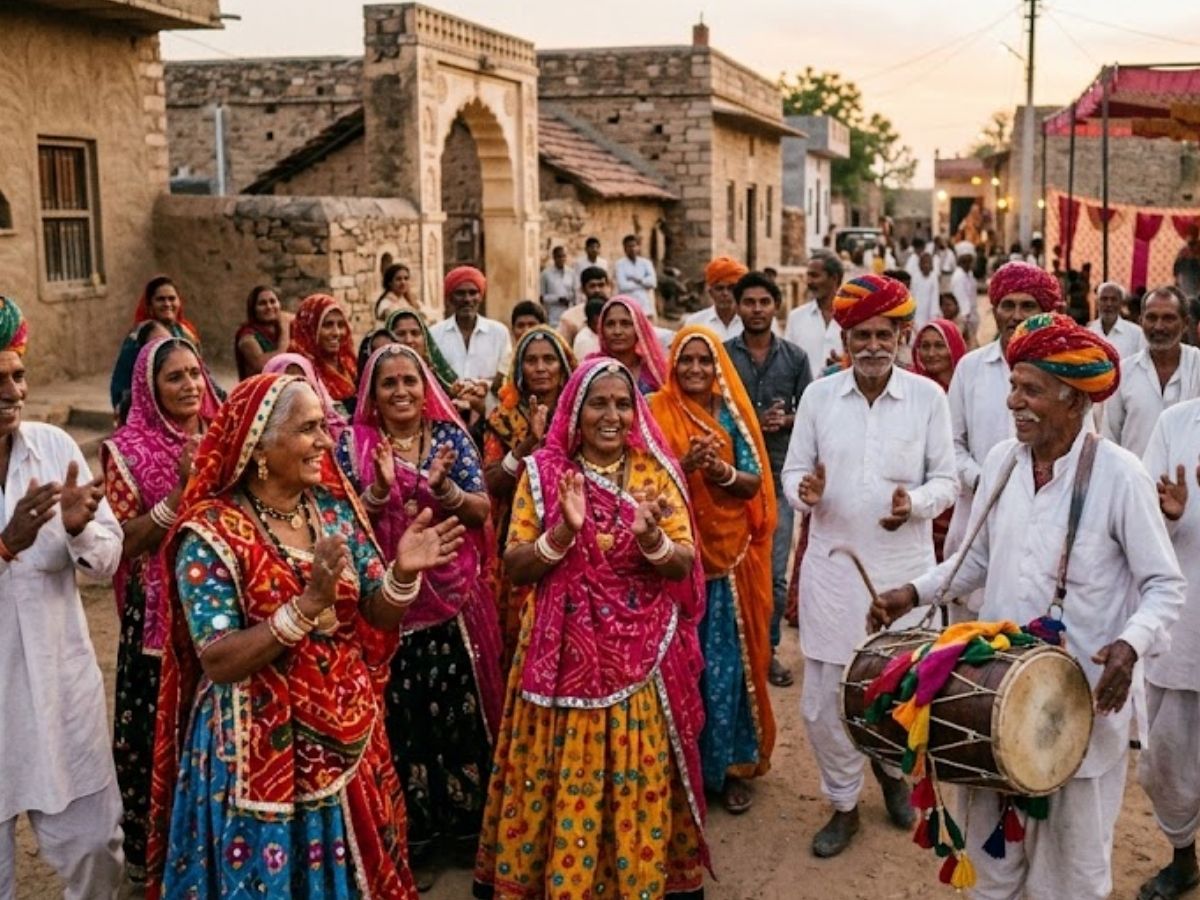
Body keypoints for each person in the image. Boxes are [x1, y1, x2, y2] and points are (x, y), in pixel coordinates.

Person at [871, 312, 1185, 900]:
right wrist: (911, 592)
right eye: (1012, 386)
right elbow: (973, 559)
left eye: (1030, 390)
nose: (1013, 401)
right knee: (993, 875)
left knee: (1071, 881)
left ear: (1074, 402)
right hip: (994, 701)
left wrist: (1130, 645)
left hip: (1081, 707)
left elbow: (1164, 586)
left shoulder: (1121, 475)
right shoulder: (1002, 461)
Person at [146, 373, 467, 898]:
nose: (325, 441)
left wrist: (403, 575)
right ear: (259, 448)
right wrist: (305, 608)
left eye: (325, 427)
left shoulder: (333, 510)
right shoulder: (212, 533)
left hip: (350, 735)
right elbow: (219, 660)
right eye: (309, 429)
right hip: (254, 749)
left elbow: (374, 613)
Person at [473, 357, 709, 898]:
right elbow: (514, 563)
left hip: (640, 652)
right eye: (598, 403)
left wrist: (652, 541)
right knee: (560, 772)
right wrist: (560, 533)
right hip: (559, 652)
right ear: (575, 412)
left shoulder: (655, 473)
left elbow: (684, 563)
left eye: (623, 403)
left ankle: (638, 876)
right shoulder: (546, 473)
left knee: (638, 770)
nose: (612, 415)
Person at [780, 275, 956, 858]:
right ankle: (844, 804)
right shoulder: (819, 397)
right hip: (833, 576)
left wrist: (917, 504)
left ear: (902, 335)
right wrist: (805, 490)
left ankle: (890, 773)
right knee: (824, 705)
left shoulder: (928, 398)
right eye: (862, 334)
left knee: (897, 695)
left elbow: (947, 480)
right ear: (845, 337)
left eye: (885, 333)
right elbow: (793, 475)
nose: (874, 344)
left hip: (902, 577)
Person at [337, 345, 503, 880]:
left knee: (460, 722)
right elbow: (341, 522)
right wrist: (382, 493)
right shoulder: (353, 446)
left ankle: (470, 834)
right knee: (402, 729)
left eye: (410, 379)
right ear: (372, 394)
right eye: (389, 383)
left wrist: (445, 489)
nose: (402, 391)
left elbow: (481, 509)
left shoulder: (451, 437)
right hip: (390, 605)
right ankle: (417, 839)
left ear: (425, 384)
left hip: (451, 605)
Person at [0, 296, 126, 900]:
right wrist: (5, 546)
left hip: (59, 693)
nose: (11, 391)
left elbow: (107, 562)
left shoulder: (53, 449)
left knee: (97, 851)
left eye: (18, 375)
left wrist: (77, 529)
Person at [99, 337, 219, 883]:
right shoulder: (125, 451)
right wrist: (179, 490)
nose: (191, 385)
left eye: (195, 373)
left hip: (217, 608)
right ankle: (159, 857)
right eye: (176, 377)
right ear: (150, 387)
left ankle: (214, 847)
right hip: (157, 618)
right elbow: (124, 541)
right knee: (157, 732)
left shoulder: (221, 435)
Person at [649, 325, 778, 815]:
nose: (697, 369)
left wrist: (718, 471)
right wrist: (684, 463)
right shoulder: (658, 411)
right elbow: (645, 478)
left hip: (728, 563)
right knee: (679, 670)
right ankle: (679, 771)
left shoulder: (731, 414)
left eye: (706, 360)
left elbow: (753, 484)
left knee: (726, 674)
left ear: (717, 366)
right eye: (688, 360)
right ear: (673, 364)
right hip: (674, 564)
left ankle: (728, 769)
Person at [944, 262, 1062, 618]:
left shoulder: (1063, 374)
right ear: (993, 308)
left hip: (1044, 518)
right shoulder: (970, 367)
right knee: (968, 633)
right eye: (1008, 305)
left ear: (1045, 312)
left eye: (1028, 306)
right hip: (975, 516)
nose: (1016, 315)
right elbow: (951, 443)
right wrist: (982, 479)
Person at [725, 271, 813, 688]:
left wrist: (786, 419)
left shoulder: (794, 358)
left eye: (764, 302)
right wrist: (750, 422)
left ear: (775, 306)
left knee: (774, 575)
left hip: (777, 475)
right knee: (731, 571)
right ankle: (733, 656)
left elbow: (809, 415)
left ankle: (768, 651)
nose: (757, 309)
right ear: (737, 306)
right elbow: (712, 412)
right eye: (749, 302)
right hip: (730, 478)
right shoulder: (723, 356)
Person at [482, 326, 575, 666]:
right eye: (531, 360)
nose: (540, 367)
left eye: (549, 359)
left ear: (564, 367)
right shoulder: (504, 419)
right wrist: (527, 444)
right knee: (524, 632)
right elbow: (491, 481)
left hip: (575, 534)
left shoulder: (582, 415)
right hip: (521, 539)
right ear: (519, 369)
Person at [1139, 397, 1200, 900]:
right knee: (1166, 758)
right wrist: (1171, 516)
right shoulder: (1175, 423)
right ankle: (1183, 859)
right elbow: (1143, 521)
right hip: (1185, 623)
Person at [1103, 286, 1200, 457]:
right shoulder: (1124, 372)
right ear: (1141, 321)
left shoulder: (1197, 365)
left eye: (1168, 318)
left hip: (1187, 481)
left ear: (1185, 323)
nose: (1159, 326)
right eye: (1151, 318)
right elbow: (1109, 437)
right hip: (1134, 480)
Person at [911, 319, 968, 562]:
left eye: (939, 345)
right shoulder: (913, 390)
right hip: (920, 484)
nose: (931, 353)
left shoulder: (967, 387)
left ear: (953, 347)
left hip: (962, 485)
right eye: (925, 346)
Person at [111, 275, 203, 411]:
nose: (167, 304)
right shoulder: (138, 338)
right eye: (160, 299)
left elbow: (202, 373)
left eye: (172, 298)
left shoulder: (186, 333)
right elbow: (122, 383)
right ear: (149, 305)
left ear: (179, 302)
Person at [388, 308, 488, 426]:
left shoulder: (440, 375)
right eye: (400, 334)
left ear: (425, 338)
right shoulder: (381, 374)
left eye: (415, 333)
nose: (409, 340)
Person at [429, 266, 512, 403]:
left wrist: (483, 387)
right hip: (448, 412)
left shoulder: (499, 333)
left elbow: (506, 377)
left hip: (489, 412)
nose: (467, 299)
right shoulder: (435, 334)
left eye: (473, 293)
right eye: (460, 293)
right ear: (450, 298)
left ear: (481, 297)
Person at [287, 293, 357, 414]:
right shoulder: (298, 368)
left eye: (340, 325)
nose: (336, 333)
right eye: (327, 325)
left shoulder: (349, 364)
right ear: (309, 328)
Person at [262, 352, 347, 439]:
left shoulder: (336, 427)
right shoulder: (262, 435)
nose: (298, 392)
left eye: (302, 383)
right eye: (289, 385)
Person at [596, 295, 669, 394]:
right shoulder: (593, 369)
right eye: (610, 324)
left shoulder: (654, 370)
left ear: (639, 328)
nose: (617, 331)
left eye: (626, 324)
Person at [785, 253, 844, 374]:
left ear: (834, 278)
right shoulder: (796, 317)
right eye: (808, 276)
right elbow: (787, 361)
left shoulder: (854, 317)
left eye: (815, 276)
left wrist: (845, 364)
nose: (809, 282)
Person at [684, 256, 750, 340]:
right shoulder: (695, 323)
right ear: (711, 292)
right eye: (719, 288)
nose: (725, 293)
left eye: (731, 288)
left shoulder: (751, 321)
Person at [234, 285, 290, 379]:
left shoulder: (282, 324)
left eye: (273, 301)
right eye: (262, 303)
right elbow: (263, 365)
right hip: (259, 389)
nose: (269, 307)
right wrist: (285, 330)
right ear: (253, 309)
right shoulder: (247, 338)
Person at [1088, 281, 1146, 359]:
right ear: (1098, 302)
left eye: (1114, 299)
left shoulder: (1136, 333)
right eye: (1104, 299)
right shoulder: (1088, 332)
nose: (1109, 304)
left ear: (1121, 303)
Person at [559, 265, 610, 350]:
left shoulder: (617, 313)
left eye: (601, 285)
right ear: (583, 289)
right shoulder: (570, 318)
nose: (597, 290)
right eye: (592, 286)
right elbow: (562, 350)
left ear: (608, 286)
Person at [613, 233, 658, 321]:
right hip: (628, 304)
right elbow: (623, 286)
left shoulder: (645, 263)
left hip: (644, 304)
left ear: (638, 247)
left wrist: (638, 280)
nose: (632, 249)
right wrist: (644, 284)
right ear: (624, 248)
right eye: (629, 246)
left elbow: (653, 283)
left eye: (634, 246)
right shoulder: (620, 264)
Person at [538, 246, 578, 328]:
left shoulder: (571, 273)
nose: (562, 259)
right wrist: (557, 299)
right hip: (553, 316)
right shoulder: (546, 274)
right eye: (559, 256)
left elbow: (575, 294)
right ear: (554, 257)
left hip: (569, 314)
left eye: (564, 256)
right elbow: (542, 298)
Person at [950, 251, 979, 347]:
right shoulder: (958, 277)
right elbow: (961, 297)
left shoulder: (968, 274)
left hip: (971, 315)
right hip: (964, 317)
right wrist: (966, 316)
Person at [910, 252, 940, 332]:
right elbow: (913, 297)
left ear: (931, 265)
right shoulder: (915, 277)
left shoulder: (934, 277)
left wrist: (934, 316)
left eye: (928, 263)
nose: (926, 265)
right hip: (917, 313)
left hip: (930, 313)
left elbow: (935, 298)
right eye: (924, 263)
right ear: (920, 265)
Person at [573, 236, 608, 301]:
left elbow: (605, 280)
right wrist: (579, 297)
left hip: (599, 295)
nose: (594, 250)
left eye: (597, 247)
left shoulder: (603, 262)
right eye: (592, 247)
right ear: (586, 249)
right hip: (584, 296)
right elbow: (577, 282)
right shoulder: (579, 263)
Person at [1174, 225, 1200, 301]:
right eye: (1187, 235)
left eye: (1190, 235)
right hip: (1184, 282)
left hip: (1196, 282)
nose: (1187, 238)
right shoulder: (1183, 251)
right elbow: (1176, 267)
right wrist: (1177, 279)